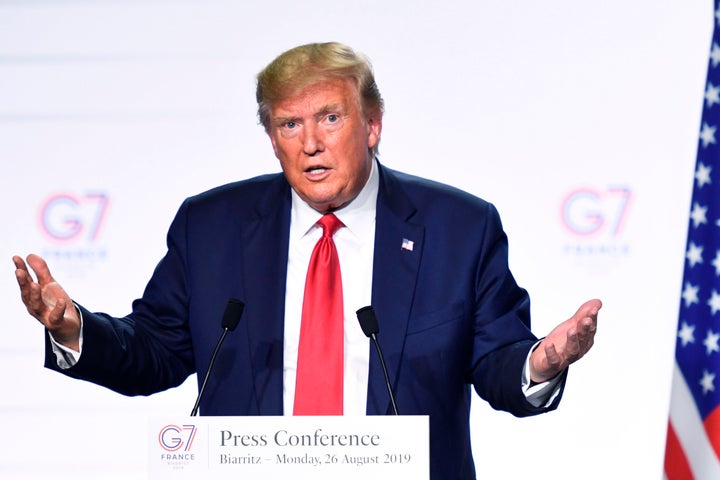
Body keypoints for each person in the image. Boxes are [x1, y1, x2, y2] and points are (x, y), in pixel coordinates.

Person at [13, 42, 601, 479]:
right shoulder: (212, 227)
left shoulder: (459, 228)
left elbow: (498, 360)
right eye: (289, 124)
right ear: (272, 139)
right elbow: (156, 352)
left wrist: (541, 362)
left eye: (330, 118)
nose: (310, 142)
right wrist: (74, 329)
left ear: (372, 126)